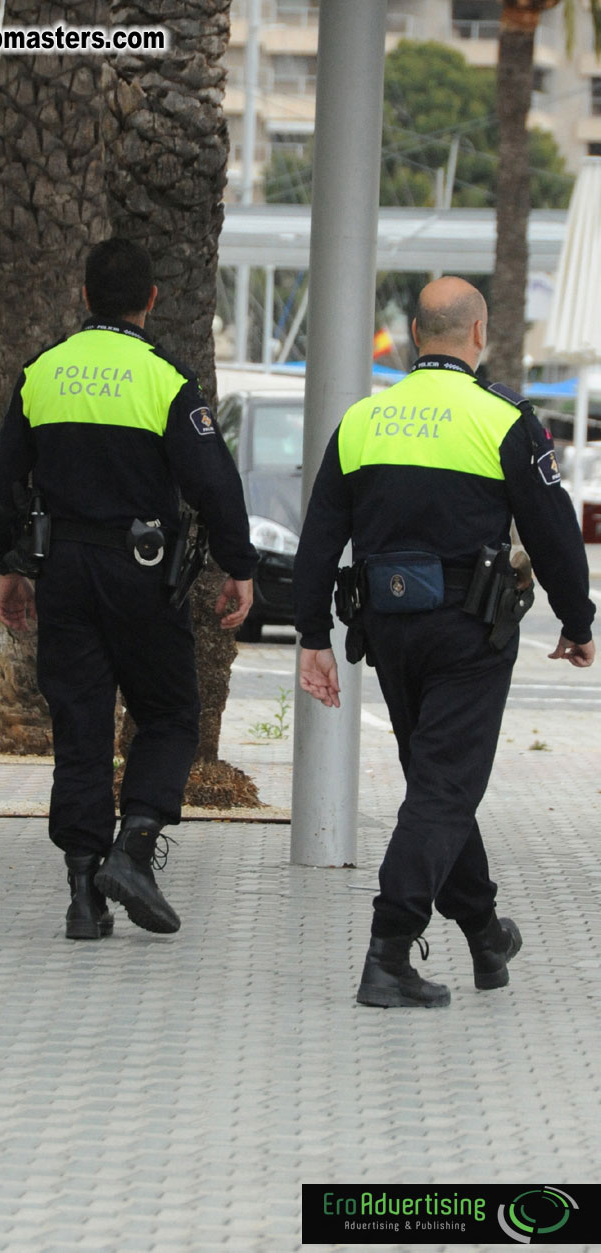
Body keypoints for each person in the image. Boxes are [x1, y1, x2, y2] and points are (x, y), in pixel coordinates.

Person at [293, 276, 595, 1008]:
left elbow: (318, 537)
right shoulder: (502, 420)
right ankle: (389, 951)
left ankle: (486, 931)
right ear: (477, 334)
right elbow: (554, 532)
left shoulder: (364, 420)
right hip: (469, 633)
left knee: (436, 783)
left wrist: (312, 636)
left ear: (417, 334)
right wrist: (577, 620)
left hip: (387, 633)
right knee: (444, 788)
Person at [0, 238, 256, 941]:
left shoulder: (44, 373)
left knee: (79, 726)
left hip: (65, 573)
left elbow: (4, 481)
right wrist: (239, 564)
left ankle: (83, 894)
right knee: (167, 713)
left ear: (84, 295)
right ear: (151, 301)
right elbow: (214, 484)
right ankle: (133, 849)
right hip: (141, 573)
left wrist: (9, 563)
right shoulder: (163, 379)